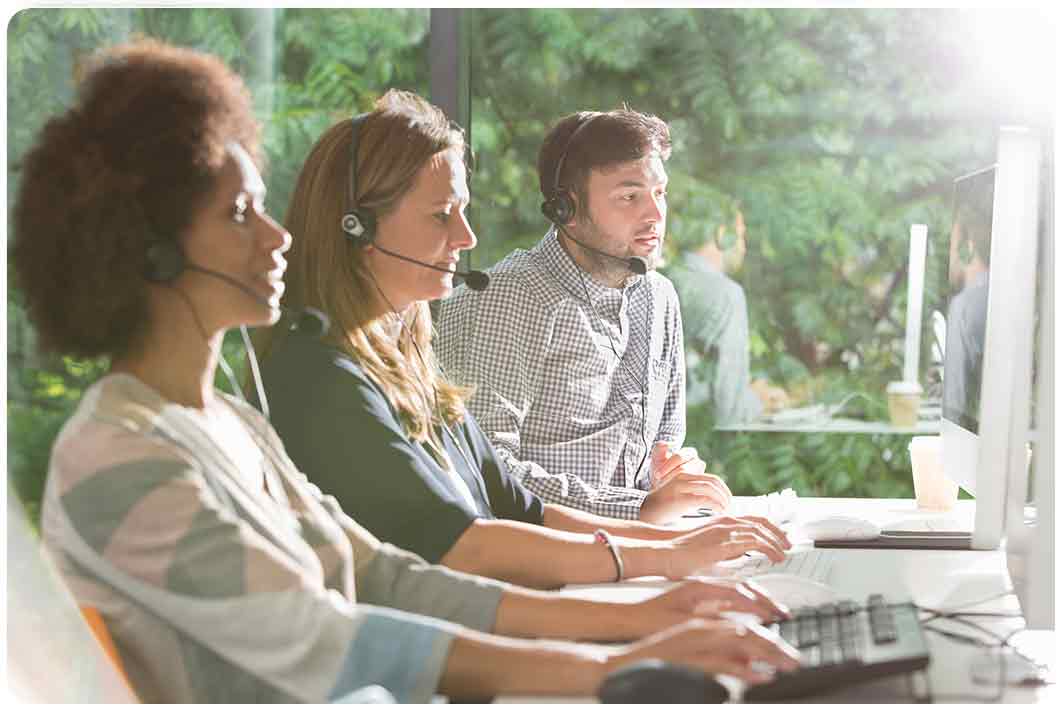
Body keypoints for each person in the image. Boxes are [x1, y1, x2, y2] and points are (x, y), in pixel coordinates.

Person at [11, 40, 799, 702]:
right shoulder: (118, 457)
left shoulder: (229, 423)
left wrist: (652, 614)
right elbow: (334, 637)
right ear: (151, 250)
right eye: (241, 215)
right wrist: (614, 659)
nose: (280, 236)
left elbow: (379, 572)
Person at [257, 92, 793, 590]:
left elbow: (516, 507)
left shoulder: (408, 366)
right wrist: (657, 553)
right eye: (443, 215)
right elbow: (467, 547)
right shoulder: (324, 379)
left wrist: (679, 544)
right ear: (356, 227)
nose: (468, 238)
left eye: (659, 194)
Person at [437, 109, 729, 523]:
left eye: (659, 193)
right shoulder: (508, 299)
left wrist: (668, 477)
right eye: (630, 196)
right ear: (565, 209)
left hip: (638, 548)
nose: (655, 215)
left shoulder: (659, 297)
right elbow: (484, 471)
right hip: (543, 560)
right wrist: (637, 509)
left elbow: (665, 444)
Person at [667, 195, 789, 425]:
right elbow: (729, 412)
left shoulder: (662, 280)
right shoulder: (726, 296)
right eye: (741, 234)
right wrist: (757, 399)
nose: (743, 246)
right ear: (722, 235)